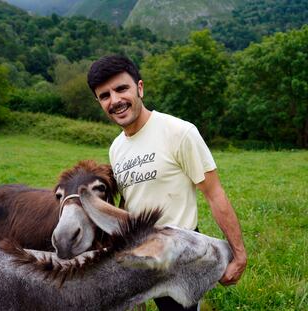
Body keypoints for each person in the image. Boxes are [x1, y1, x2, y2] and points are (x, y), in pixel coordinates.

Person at [87, 55, 247, 311]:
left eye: (121, 89)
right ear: (99, 102)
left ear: (139, 88)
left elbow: (215, 194)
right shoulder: (116, 148)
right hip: (137, 252)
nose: (115, 100)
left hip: (177, 256)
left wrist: (239, 255)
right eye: (104, 95)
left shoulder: (179, 132)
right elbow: (131, 200)